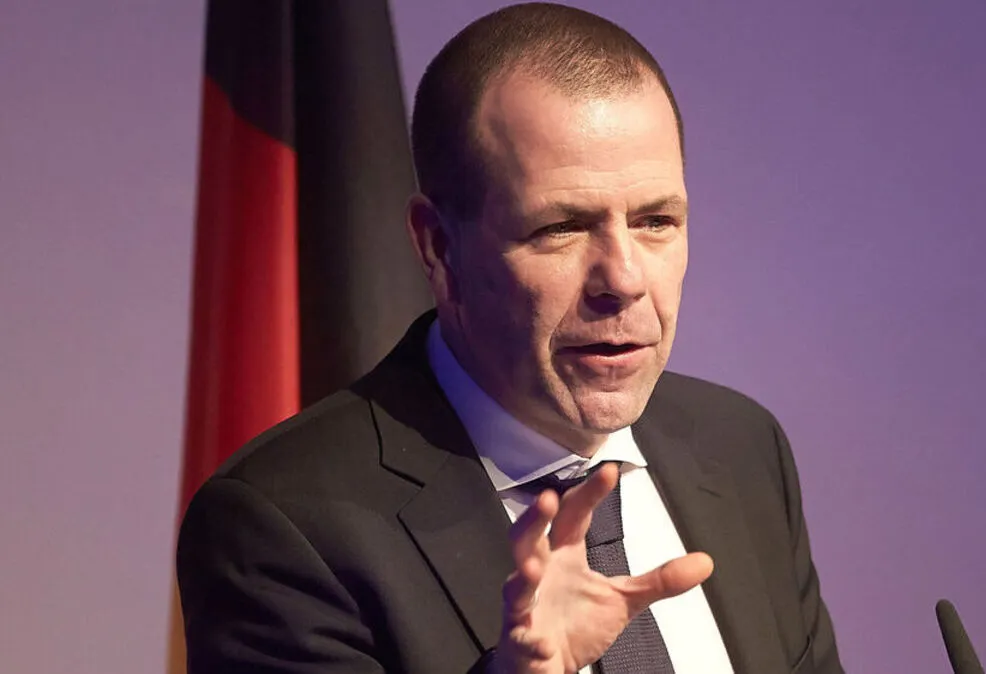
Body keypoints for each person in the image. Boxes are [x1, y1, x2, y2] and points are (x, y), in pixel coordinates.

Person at [176, 3, 843, 673]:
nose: (624, 278)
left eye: (656, 221)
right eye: (561, 228)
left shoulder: (743, 448)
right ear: (438, 246)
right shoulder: (281, 527)